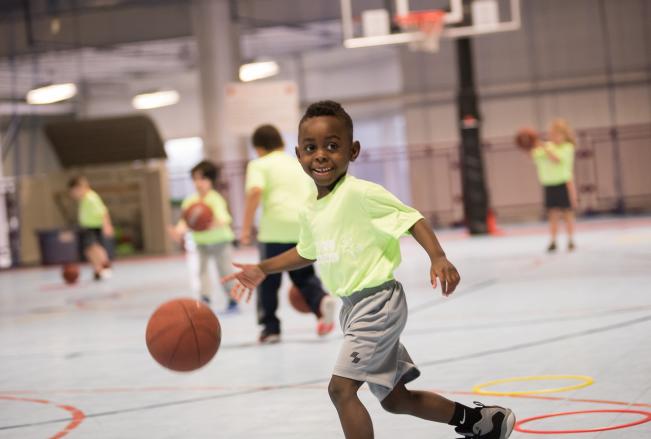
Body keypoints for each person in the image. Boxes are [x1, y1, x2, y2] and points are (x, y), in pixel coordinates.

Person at [224, 101, 515, 439]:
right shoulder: (312, 209)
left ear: (353, 151)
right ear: (298, 154)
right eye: (310, 148)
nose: (320, 155)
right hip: (353, 309)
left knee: (341, 390)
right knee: (395, 400)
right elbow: (307, 252)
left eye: (332, 146)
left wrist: (438, 256)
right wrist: (263, 268)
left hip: (378, 305)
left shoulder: (361, 194)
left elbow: (411, 218)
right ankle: (482, 422)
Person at [241, 124, 336, 343]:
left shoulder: (258, 164)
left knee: (267, 278)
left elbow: (255, 191)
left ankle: (270, 328)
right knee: (304, 276)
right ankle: (322, 303)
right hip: (303, 225)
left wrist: (245, 228)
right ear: (281, 143)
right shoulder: (297, 162)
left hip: (275, 228)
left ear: (259, 148)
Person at [169, 160, 238, 312]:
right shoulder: (190, 201)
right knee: (201, 271)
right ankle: (205, 298)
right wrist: (178, 231)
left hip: (221, 242)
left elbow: (225, 219)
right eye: (195, 179)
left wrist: (211, 223)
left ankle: (232, 299)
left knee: (225, 272)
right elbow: (185, 222)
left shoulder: (215, 199)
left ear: (211, 181)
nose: (198, 183)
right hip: (201, 243)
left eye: (202, 179)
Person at [532, 118, 577, 252]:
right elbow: (535, 154)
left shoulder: (568, 147)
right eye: (553, 134)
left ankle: (570, 240)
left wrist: (545, 148)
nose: (555, 137)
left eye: (558, 134)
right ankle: (553, 240)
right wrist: (532, 144)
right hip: (549, 184)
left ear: (564, 135)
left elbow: (557, 159)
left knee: (567, 213)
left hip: (563, 183)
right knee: (552, 214)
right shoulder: (548, 146)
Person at [68, 176, 113, 280]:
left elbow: (103, 211)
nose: (74, 195)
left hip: (93, 227)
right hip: (86, 227)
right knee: (89, 250)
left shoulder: (91, 198)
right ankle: (98, 268)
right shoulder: (84, 199)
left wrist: (107, 225)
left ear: (80, 188)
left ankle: (105, 264)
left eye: (74, 192)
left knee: (94, 247)